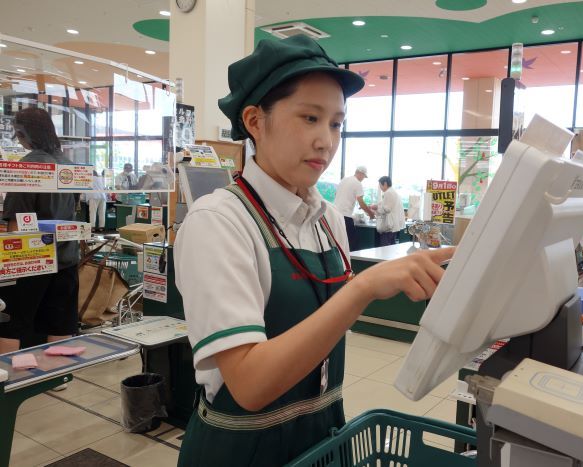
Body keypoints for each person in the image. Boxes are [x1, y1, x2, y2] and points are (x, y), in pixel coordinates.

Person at [173, 35, 454, 467]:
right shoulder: (219, 221)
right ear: (254, 121)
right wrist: (362, 289)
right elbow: (248, 384)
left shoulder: (329, 221)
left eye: (336, 124)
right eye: (310, 118)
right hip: (242, 451)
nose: (326, 141)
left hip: (323, 439)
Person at [0, 108, 80, 356]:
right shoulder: (67, 164)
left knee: (11, 323)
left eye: (18, 134)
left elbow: (17, 224)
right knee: (60, 322)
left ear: (25, 133)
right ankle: (58, 373)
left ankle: (8, 374)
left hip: (32, 259)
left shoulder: (28, 166)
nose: (18, 140)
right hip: (67, 258)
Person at [334, 166, 375, 251]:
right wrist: (371, 214)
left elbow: (336, 194)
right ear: (361, 173)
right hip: (345, 216)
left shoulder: (344, 180)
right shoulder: (357, 183)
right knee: (352, 244)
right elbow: (361, 202)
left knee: (339, 242)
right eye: (364, 177)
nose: (363, 179)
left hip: (335, 214)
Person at [372, 176, 406, 247]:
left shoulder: (388, 193)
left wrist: (376, 208)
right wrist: (376, 206)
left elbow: (387, 209)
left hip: (389, 226)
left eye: (380, 185)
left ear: (385, 183)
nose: (380, 188)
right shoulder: (393, 192)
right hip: (393, 226)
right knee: (391, 248)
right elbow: (384, 204)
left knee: (385, 248)